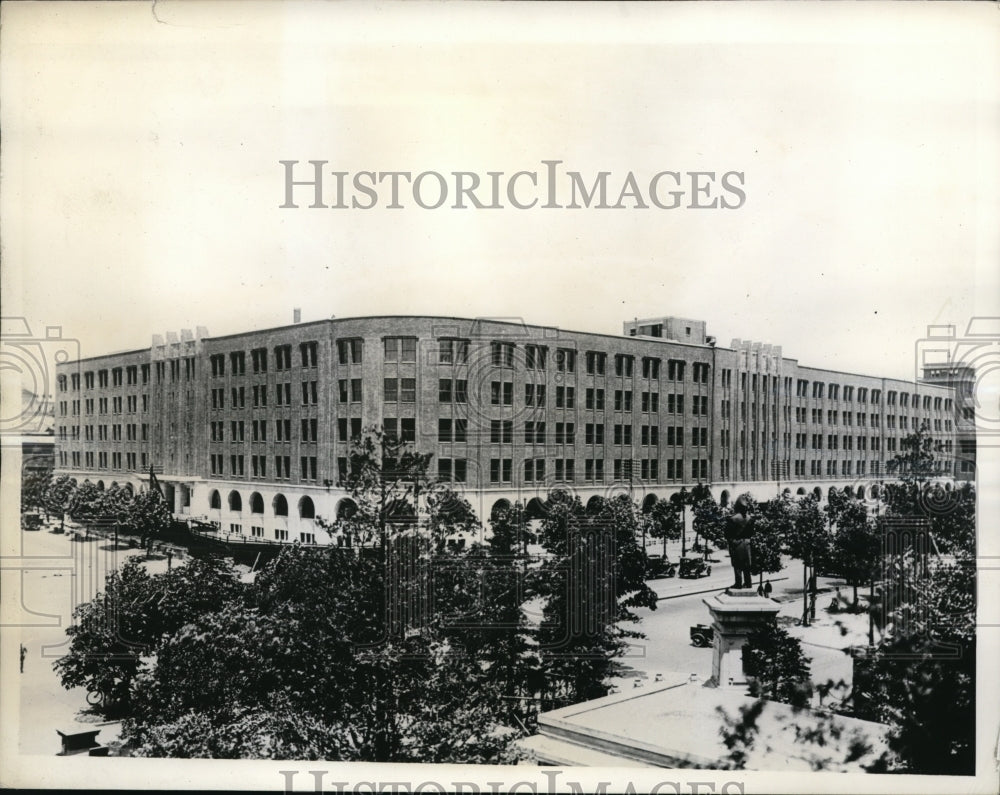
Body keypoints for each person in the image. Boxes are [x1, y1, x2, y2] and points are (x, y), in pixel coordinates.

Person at [724, 497, 754, 589]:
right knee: (747, 566)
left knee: (737, 565)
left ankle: (738, 584)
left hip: (736, 544)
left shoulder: (733, 519)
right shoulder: (750, 518)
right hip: (747, 544)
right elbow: (752, 532)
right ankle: (748, 583)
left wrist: (731, 542)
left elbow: (727, 534)